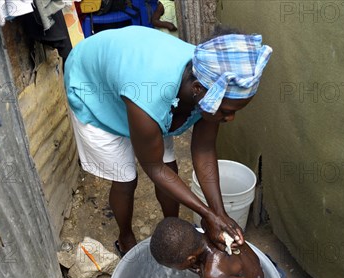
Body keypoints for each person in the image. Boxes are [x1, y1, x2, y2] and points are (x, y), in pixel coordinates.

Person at [64, 25, 272, 256]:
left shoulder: (210, 77)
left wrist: (218, 212)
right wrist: (206, 214)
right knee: (125, 179)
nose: (230, 118)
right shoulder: (150, 98)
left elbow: (203, 150)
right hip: (94, 87)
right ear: (197, 90)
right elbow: (153, 167)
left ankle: (172, 225)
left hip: (133, 77)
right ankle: (125, 238)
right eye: (226, 111)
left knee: (170, 167)